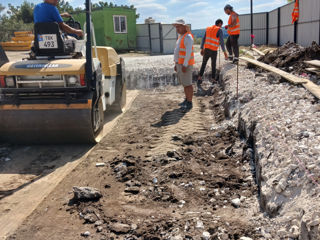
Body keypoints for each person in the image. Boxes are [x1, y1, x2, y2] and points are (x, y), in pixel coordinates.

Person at [173, 19, 195, 112]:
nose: (177, 29)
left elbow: (188, 53)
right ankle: (187, 100)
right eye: (176, 27)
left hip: (185, 64)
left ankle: (189, 103)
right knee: (184, 84)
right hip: (180, 64)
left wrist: (185, 65)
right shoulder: (181, 37)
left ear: (184, 27)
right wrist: (176, 63)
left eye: (178, 27)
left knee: (188, 84)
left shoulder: (188, 37)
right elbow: (177, 51)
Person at [198, 19, 228, 85]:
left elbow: (203, 38)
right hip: (213, 50)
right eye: (221, 25)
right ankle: (213, 79)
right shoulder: (219, 30)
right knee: (213, 64)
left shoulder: (208, 28)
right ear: (220, 24)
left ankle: (200, 77)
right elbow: (222, 42)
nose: (221, 26)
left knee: (204, 63)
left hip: (206, 49)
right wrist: (225, 52)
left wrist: (202, 48)